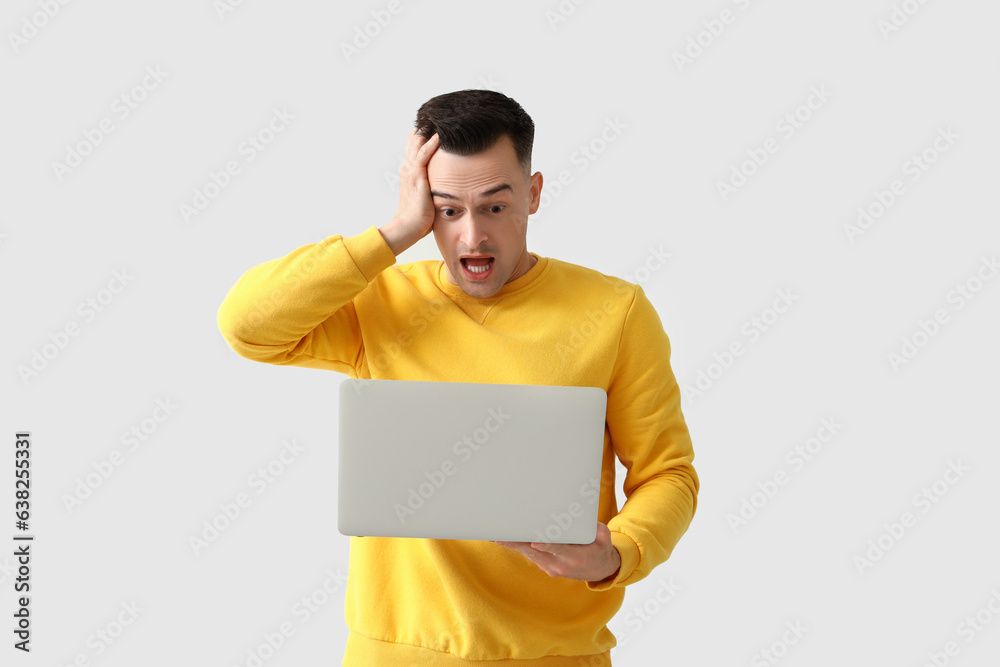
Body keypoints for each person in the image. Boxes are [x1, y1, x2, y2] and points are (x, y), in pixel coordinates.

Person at [217, 89, 699, 666]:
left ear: (534, 193)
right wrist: (395, 231)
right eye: (448, 210)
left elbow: (668, 473)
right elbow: (247, 327)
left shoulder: (615, 313)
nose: (472, 238)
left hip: (555, 656)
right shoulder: (384, 302)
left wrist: (618, 553)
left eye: (495, 206)